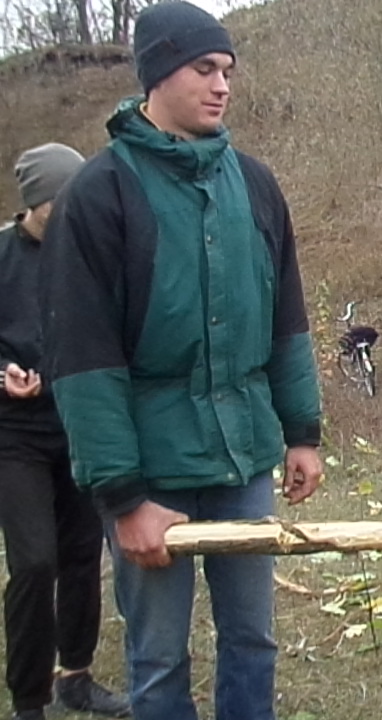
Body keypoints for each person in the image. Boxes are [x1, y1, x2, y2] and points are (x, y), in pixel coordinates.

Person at [38, 3, 324, 719]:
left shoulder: (254, 184)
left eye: (227, 70)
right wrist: (124, 498)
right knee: (159, 658)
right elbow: (84, 361)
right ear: (158, 74)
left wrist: (302, 432)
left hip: (242, 460)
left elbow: (286, 320)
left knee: (253, 639)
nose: (221, 85)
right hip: (152, 470)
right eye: (204, 69)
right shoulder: (100, 195)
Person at [1, 144, 130, 720]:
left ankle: (75, 676)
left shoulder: (89, 251)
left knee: (82, 554)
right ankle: (29, 698)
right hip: (14, 435)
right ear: (34, 202)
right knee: (34, 561)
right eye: (61, 201)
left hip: (79, 423)